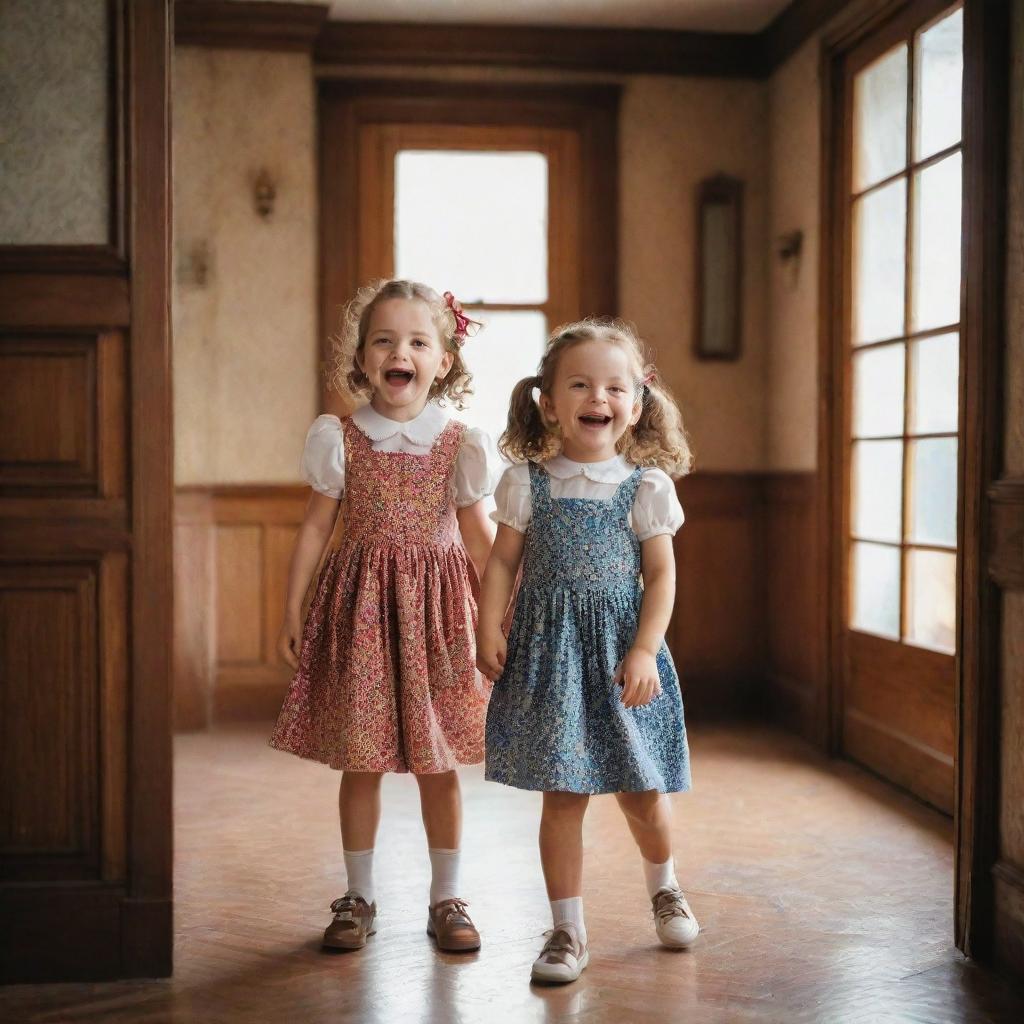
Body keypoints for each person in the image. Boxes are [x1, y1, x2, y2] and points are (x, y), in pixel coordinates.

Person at [271, 279, 496, 954]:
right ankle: (358, 895)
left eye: (418, 341)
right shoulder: (339, 437)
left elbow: (482, 540)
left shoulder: (460, 443)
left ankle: (447, 896)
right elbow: (315, 529)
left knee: (439, 762)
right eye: (384, 340)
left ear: (443, 361)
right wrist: (292, 606)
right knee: (360, 760)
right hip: (362, 613)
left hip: (439, 618)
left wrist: (501, 618)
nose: (401, 351)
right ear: (363, 358)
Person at [477, 318, 697, 984]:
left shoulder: (645, 486)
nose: (596, 397)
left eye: (613, 386)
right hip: (550, 659)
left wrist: (644, 651)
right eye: (579, 384)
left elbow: (660, 577)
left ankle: (665, 885)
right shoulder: (527, 482)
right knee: (563, 796)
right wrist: (488, 626)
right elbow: (500, 563)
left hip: (620, 658)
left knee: (640, 790)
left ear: (636, 403)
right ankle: (567, 930)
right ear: (549, 401)